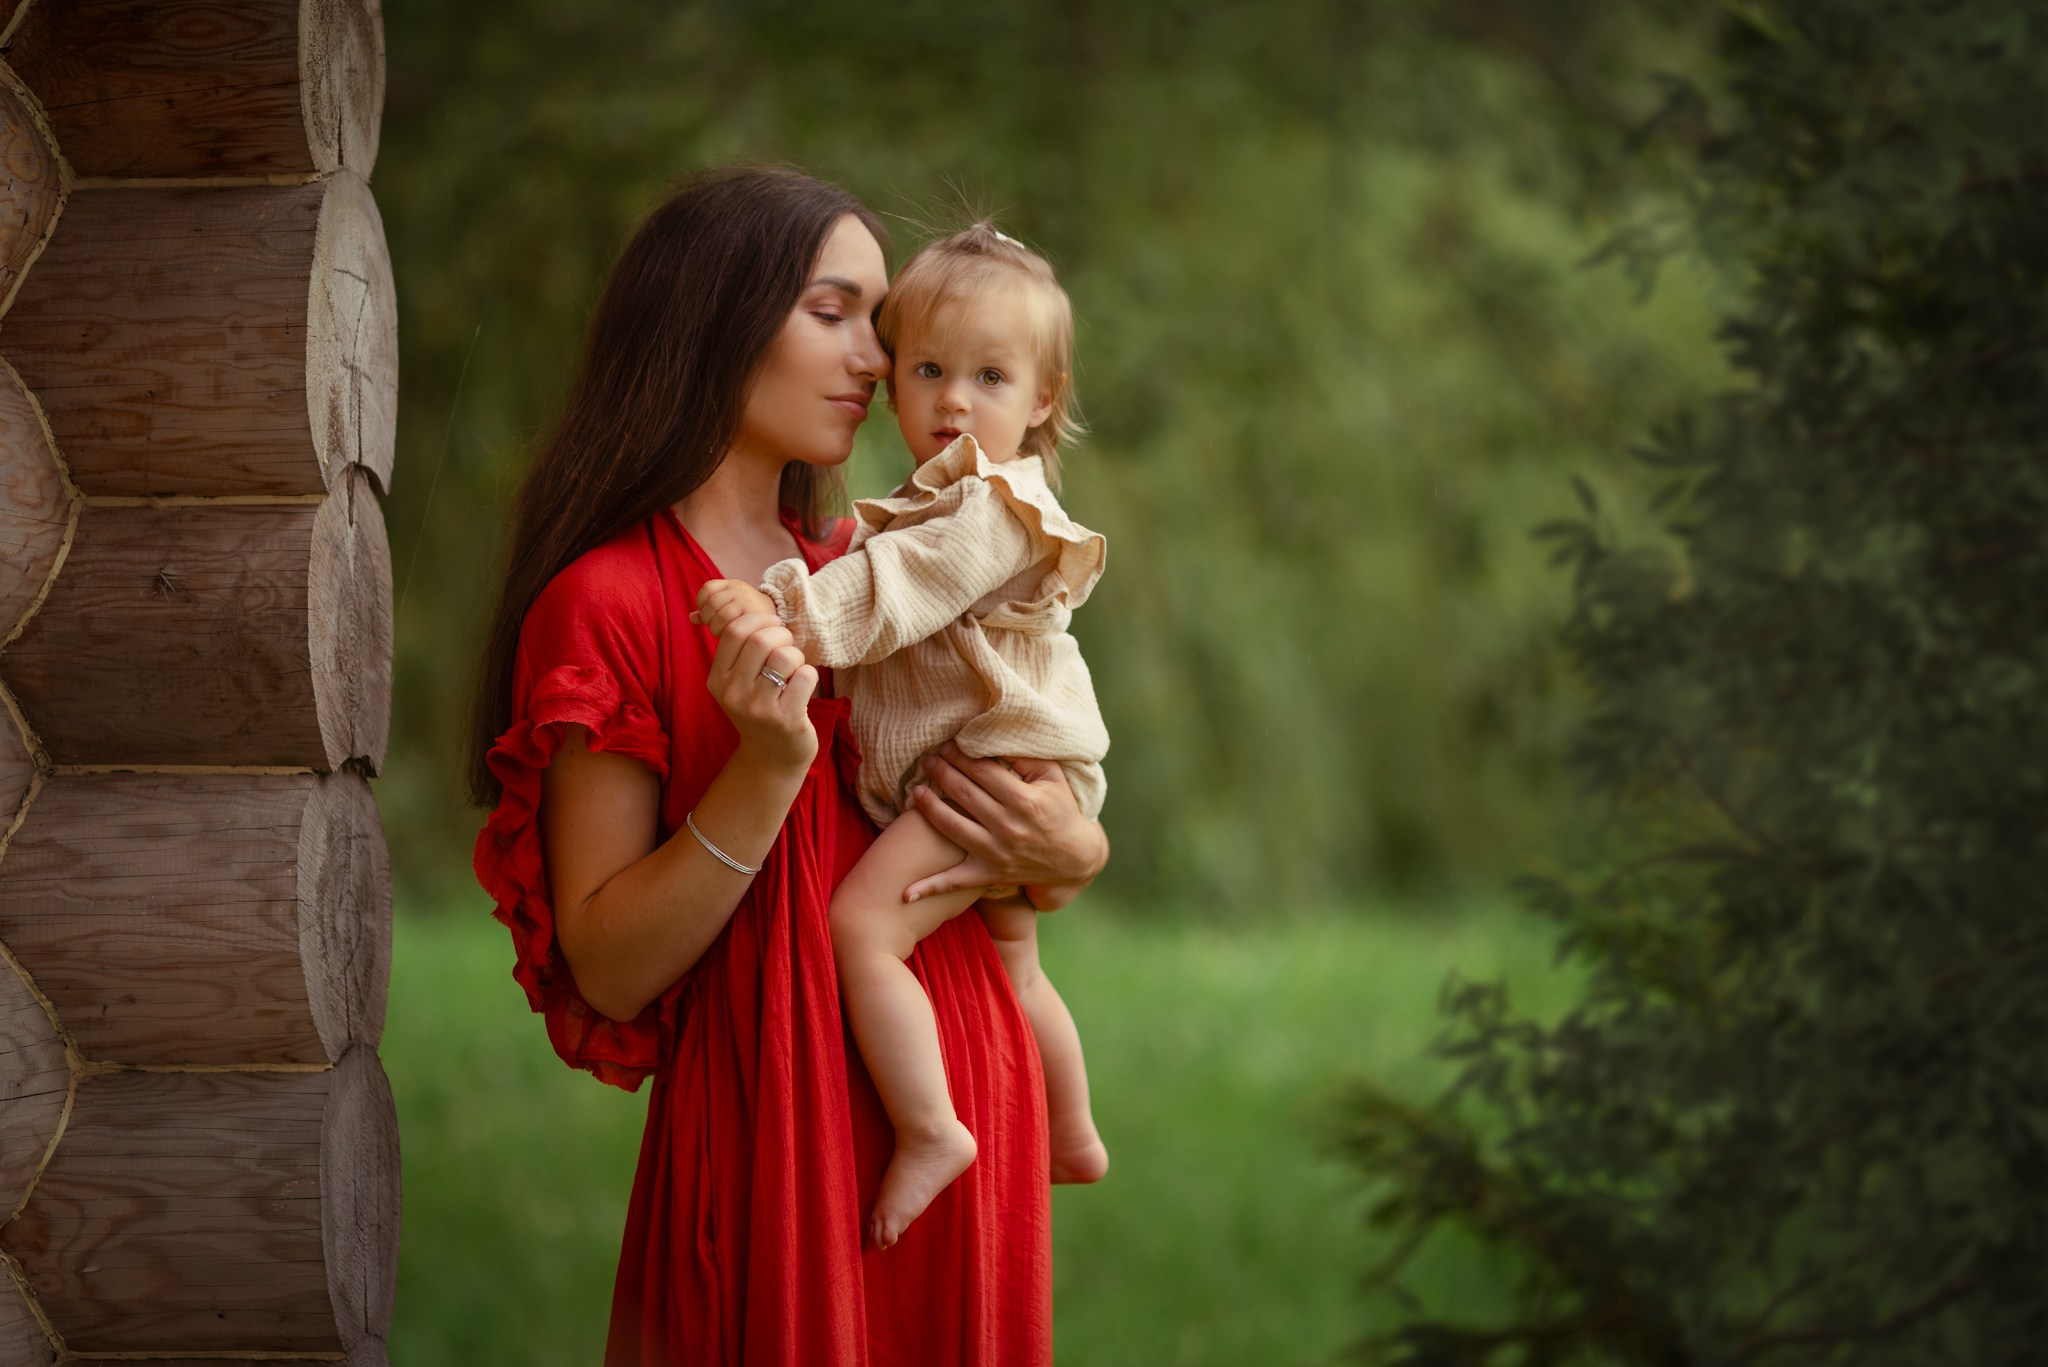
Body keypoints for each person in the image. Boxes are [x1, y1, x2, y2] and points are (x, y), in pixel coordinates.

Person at [465, 164, 1109, 1367]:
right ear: (711, 318)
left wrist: (1072, 849)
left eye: (880, 322)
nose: (877, 356)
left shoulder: (869, 569)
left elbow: (1007, 771)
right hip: (780, 1121)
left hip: (963, 1083)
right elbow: (607, 968)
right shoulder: (608, 600)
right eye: (833, 312)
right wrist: (763, 768)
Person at [692, 222, 1109, 1252]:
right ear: (894, 388)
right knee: (1016, 968)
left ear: (1041, 399)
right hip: (1002, 766)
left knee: (862, 930)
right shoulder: (940, 501)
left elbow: (892, 592)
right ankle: (1075, 1129)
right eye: (928, 369)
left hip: (993, 770)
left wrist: (778, 609)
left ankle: (930, 1128)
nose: (954, 399)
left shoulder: (992, 508)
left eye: (989, 377)